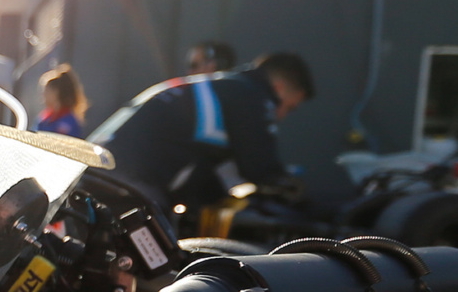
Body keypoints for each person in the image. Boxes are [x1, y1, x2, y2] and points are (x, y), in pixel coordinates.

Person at [90, 52, 314, 217]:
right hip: (129, 183)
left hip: (95, 168)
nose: (283, 116)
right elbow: (262, 169)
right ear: (280, 87)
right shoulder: (252, 96)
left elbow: (208, 175)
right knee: (154, 265)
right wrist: (298, 195)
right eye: (289, 108)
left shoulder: (221, 86)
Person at [37, 65, 89, 137]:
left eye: (46, 91)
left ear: (56, 92)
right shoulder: (44, 118)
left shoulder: (69, 122)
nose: (43, 95)